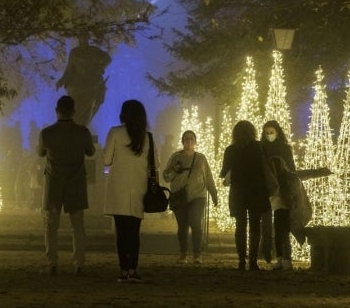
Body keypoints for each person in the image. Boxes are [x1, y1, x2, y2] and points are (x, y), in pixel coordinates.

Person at [37, 95, 96, 275]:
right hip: (76, 182)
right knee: (78, 225)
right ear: (73, 112)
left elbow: (40, 153)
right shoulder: (83, 132)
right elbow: (91, 152)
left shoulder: (46, 133)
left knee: (51, 225)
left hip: (54, 183)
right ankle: (79, 263)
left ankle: (52, 262)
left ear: (57, 111)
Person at [103, 99, 152, 283]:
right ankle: (133, 268)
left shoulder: (115, 133)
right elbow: (156, 163)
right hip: (139, 189)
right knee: (134, 232)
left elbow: (106, 160)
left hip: (118, 189)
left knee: (121, 233)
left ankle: (123, 269)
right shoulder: (148, 137)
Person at [220, 120, 271, 271]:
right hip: (257, 191)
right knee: (255, 225)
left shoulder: (231, 150)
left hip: (238, 192)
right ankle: (253, 260)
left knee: (240, 225)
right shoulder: (259, 147)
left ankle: (242, 259)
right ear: (252, 132)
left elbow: (223, 172)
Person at [163, 130, 219, 264]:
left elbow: (208, 177)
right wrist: (175, 170)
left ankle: (197, 254)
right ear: (182, 141)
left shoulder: (201, 158)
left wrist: (213, 193)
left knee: (196, 223)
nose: (189, 141)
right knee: (182, 226)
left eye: (191, 139)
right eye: (186, 139)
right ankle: (183, 253)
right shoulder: (175, 157)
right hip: (179, 196)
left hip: (197, 196)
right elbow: (166, 176)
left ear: (195, 141)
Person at [260, 120, 296, 270]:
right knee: (269, 225)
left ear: (277, 132)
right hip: (266, 191)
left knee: (282, 226)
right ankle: (276, 256)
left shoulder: (285, 148)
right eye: (266, 133)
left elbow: (292, 169)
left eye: (272, 132)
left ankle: (286, 258)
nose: (269, 135)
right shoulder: (261, 148)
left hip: (282, 191)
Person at [56, 35, 111, 127]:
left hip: (92, 84)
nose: (83, 39)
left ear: (88, 38)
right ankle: (76, 127)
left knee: (89, 109)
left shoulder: (94, 50)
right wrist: (61, 81)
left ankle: (82, 127)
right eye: (81, 36)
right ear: (78, 38)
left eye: (85, 36)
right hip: (78, 85)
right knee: (76, 109)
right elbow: (69, 70)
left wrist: (100, 68)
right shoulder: (74, 52)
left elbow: (107, 59)